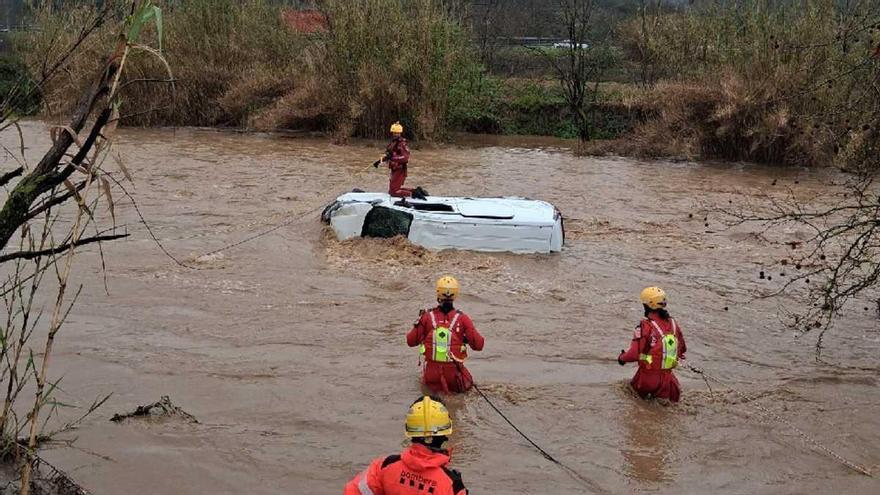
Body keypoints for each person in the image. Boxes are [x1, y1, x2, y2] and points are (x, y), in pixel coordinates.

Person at [344, 396, 469, 495]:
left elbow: (353, 491)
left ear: (410, 432)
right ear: (445, 434)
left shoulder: (385, 465)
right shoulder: (452, 484)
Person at [407, 276, 484, 394]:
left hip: (431, 376)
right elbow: (479, 345)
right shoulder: (463, 318)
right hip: (455, 376)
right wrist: (463, 339)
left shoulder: (426, 317)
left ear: (438, 293)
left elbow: (411, 341)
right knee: (468, 388)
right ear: (455, 294)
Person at [617, 287, 687, 402]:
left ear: (647, 305)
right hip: (668, 382)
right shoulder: (674, 324)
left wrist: (622, 358)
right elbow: (682, 349)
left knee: (630, 399)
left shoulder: (645, 326)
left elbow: (634, 354)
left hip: (646, 379)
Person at [373, 122, 428, 199]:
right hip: (394, 168)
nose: (395, 134)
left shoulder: (402, 144)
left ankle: (414, 194)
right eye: (394, 132)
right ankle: (415, 191)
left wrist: (392, 158)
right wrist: (379, 161)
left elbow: (405, 158)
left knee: (394, 192)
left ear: (400, 133)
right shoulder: (393, 143)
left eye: (397, 133)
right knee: (392, 190)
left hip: (400, 169)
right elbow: (388, 155)